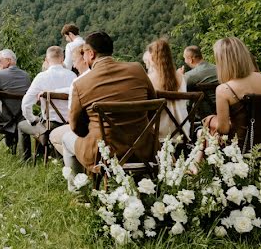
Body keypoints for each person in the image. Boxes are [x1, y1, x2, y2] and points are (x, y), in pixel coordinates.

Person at [65, 32, 156, 185]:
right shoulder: (137, 70)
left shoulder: (80, 84)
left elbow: (75, 127)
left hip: (104, 154)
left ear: (91, 53)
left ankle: (80, 192)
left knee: (65, 138)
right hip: (144, 148)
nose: (84, 57)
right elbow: (152, 106)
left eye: (83, 53)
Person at [201, 37, 261, 144]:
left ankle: (197, 160)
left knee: (206, 128)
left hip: (237, 147)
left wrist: (211, 120)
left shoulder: (224, 89)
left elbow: (223, 130)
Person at [16, 46, 75, 161]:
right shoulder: (72, 76)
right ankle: (44, 153)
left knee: (21, 125)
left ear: (46, 60)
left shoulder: (41, 77)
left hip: (49, 125)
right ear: (62, 59)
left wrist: (32, 119)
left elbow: (26, 103)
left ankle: (25, 160)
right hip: (69, 123)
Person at [49, 44, 92, 159]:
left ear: (84, 59)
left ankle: (77, 170)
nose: (73, 65)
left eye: (74, 61)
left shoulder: (78, 82)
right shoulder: (82, 77)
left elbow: (72, 120)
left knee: (56, 135)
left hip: (88, 131)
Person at [0, 49, 31, 152]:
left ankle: (10, 146)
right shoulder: (26, 76)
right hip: (22, 117)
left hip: (4, 118)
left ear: (8, 60)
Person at [143, 38, 188, 142]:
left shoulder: (149, 79)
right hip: (182, 131)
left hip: (158, 134)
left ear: (152, 57)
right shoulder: (181, 77)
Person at [183, 45, 218, 117]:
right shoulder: (219, 69)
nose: (185, 61)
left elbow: (180, 89)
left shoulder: (190, 76)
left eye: (185, 58)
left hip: (205, 116)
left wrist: (179, 77)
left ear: (190, 59)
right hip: (226, 110)